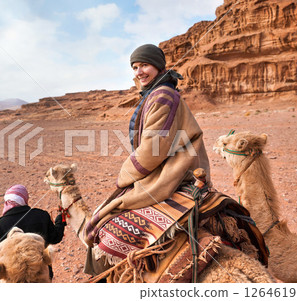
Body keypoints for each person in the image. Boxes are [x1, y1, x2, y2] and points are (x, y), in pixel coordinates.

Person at [84, 44, 211, 275]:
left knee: (105, 223)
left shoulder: (162, 95)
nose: (139, 72)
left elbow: (154, 147)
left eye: (144, 65)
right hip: (167, 167)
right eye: (134, 67)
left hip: (175, 171)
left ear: (158, 66)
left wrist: (124, 176)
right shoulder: (157, 92)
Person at [0, 184, 66, 279]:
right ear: (25, 199)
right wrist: (60, 219)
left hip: (13, 280)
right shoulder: (41, 215)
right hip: (42, 276)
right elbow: (56, 237)